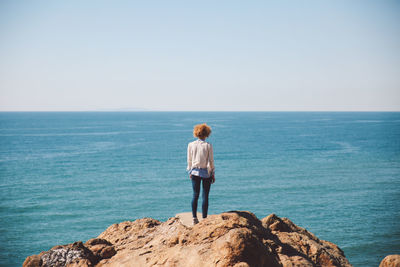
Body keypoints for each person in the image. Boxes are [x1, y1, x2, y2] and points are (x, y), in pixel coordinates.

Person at [187, 123, 215, 225]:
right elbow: (211, 161)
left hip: (194, 171)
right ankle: (204, 218)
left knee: (195, 195)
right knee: (205, 196)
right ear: (207, 133)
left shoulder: (190, 145)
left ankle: (194, 218)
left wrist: (190, 171)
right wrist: (212, 173)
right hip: (206, 172)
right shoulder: (208, 145)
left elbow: (189, 160)